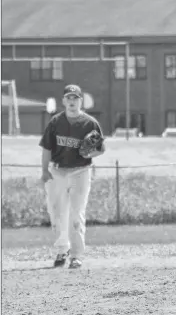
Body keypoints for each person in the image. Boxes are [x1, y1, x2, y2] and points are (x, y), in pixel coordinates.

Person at [40, 84, 105, 269]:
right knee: (56, 212)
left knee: (77, 214)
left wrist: (88, 154)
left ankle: (76, 255)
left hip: (81, 171)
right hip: (57, 171)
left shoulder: (90, 123)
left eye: (75, 98)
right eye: (68, 97)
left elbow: (100, 149)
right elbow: (46, 148)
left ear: (80, 101)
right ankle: (62, 249)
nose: (71, 101)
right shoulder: (55, 122)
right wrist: (44, 170)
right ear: (63, 101)